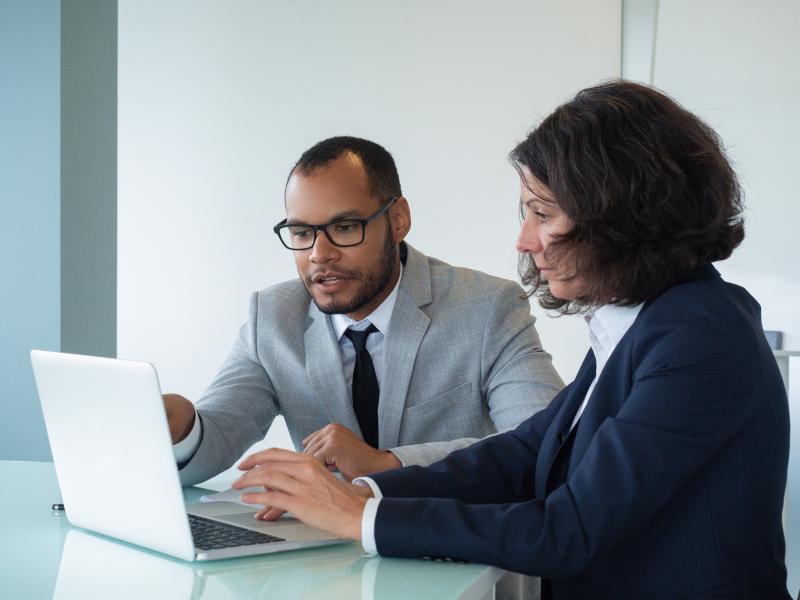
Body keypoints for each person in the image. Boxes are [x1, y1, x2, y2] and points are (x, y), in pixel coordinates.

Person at [232, 83, 792, 599]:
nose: (524, 240)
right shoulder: (649, 320)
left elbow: (565, 529)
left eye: (542, 213)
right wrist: (367, 494)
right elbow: (526, 453)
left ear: (626, 216)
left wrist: (358, 520)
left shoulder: (699, 335)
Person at [164, 136, 563, 489]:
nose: (320, 254)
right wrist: (181, 426)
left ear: (398, 220)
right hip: (329, 562)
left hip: (456, 559)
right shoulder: (271, 317)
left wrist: (390, 464)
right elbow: (215, 437)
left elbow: (545, 441)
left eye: (345, 227)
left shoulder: (487, 307)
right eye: (302, 233)